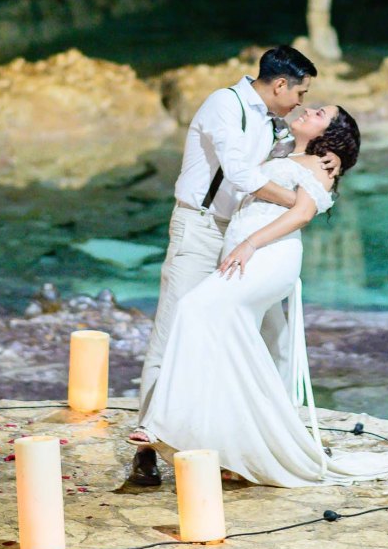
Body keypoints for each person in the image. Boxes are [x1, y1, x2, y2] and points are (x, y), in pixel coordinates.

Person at [130, 105, 388, 488]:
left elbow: (303, 213)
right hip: (245, 250)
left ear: (333, 132)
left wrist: (249, 244)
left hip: (267, 254)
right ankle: (234, 443)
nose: (308, 109)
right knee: (231, 339)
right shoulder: (286, 151)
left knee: (194, 308)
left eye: (320, 111)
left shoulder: (324, 161)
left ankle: (161, 426)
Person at [130, 45, 339, 487]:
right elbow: (243, 175)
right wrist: (305, 203)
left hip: (248, 236)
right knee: (173, 331)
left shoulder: (276, 121)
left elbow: (292, 159)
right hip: (202, 228)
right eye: (300, 91)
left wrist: (327, 166)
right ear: (279, 84)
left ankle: (273, 439)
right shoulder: (224, 105)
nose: (302, 101)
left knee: (273, 338)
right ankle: (148, 448)